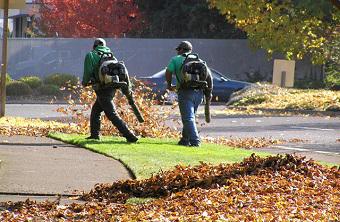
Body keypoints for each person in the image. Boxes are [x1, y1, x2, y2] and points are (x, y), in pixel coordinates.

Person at [82, 38, 138, 142]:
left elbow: (88, 72)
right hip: (112, 86)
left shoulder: (91, 55)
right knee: (96, 111)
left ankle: (130, 136)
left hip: (102, 88)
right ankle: (94, 135)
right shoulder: (112, 56)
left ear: (94, 46)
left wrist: (85, 82)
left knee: (112, 114)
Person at [165, 41, 213, 147]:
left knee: (188, 118)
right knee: (190, 117)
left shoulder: (175, 59)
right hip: (199, 93)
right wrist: (209, 93)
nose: (177, 52)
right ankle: (185, 140)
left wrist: (169, 84)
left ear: (182, 50)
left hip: (185, 92)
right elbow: (209, 77)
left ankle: (195, 141)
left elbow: (168, 71)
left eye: (178, 49)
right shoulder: (199, 60)